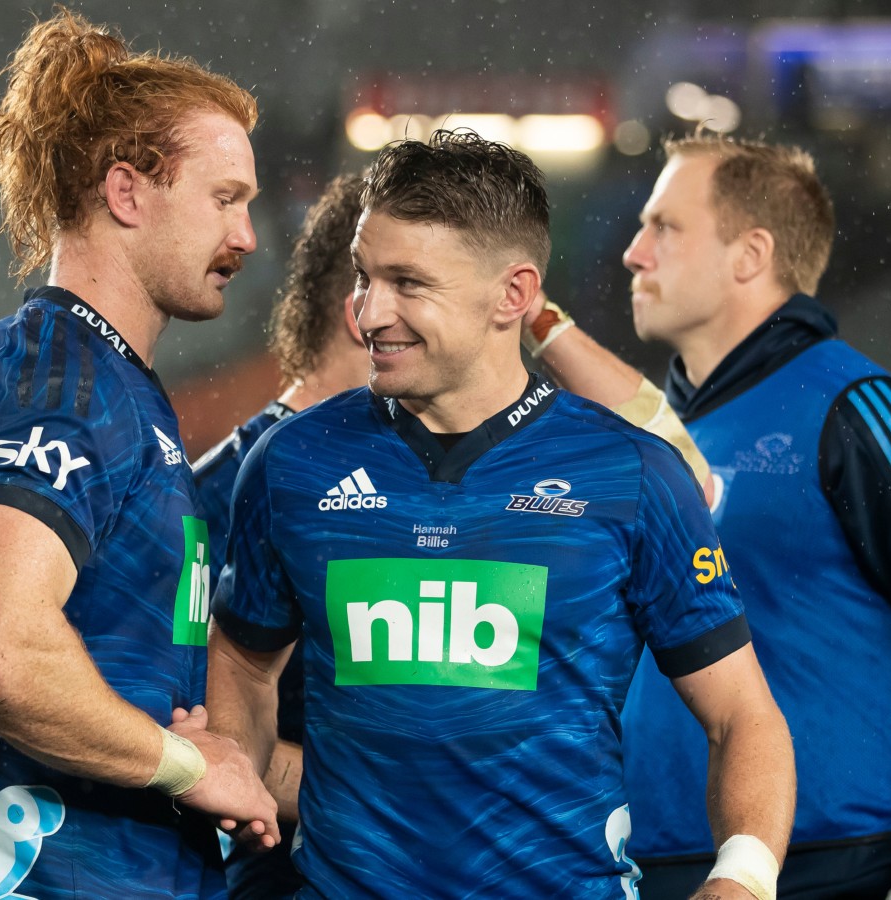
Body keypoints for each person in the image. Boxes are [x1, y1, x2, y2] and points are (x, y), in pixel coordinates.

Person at [205, 130, 795, 900]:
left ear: (513, 295)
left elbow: (743, 717)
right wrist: (237, 770)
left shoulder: (631, 474)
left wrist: (743, 878)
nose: (369, 313)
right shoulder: (291, 462)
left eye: (408, 283)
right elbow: (243, 662)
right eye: (363, 277)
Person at [538, 134, 891, 898]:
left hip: (829, 862)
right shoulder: (656, 433)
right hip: (652, 863)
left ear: (750, 255)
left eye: (664, 227)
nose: (633, 253)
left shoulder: (855, 409)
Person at [0, 9, 278, 900]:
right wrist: (189, 764)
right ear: (127, 193)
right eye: (225, 198)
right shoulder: (59, 379)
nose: (247, 236)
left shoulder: (113, 383)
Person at [191, 173, 368, 900]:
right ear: (363, 311)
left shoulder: (428, 487)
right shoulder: (212, 495)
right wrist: (403, 800)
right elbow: (189, 730)